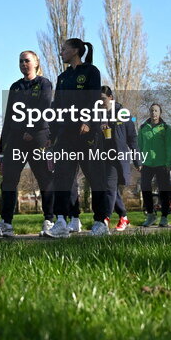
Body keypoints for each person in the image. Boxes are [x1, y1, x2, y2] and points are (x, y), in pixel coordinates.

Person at [46, 38, 108, 238]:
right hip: (66, 134)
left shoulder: (91, 72)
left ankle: (100, 222)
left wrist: (89, 122)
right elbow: (57, 107)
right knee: (62, 177)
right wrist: (52, 134)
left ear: (75, 50)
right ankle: (61, 221)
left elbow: (94, 100)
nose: (61, 52)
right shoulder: (63, 77)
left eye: (64, 49)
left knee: (95, 176)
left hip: (87, 134)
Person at [0, 51, 55, 238]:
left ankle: (49, 220)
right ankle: (6, 223)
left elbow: (44, 109)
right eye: (20, 61)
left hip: (38, 139)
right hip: (16, 140)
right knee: (9, 180)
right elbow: (9, 116)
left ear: (36, 63)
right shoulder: (15, 87)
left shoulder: (44, 84)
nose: (23, 63)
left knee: (45, 179)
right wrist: (2, 144)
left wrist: (32, 130)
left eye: (27, 60)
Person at [99, 86, 138, 232]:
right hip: (102, 156)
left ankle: (105, 219)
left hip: (118, 156)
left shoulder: (123, 113)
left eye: (102, 99)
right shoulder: (97, 113)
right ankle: (123, 216)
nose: (100, 102)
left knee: (109, 187)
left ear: (110, 98)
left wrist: (137, 159)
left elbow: (132, 138)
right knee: (111, 188)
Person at [137, 103, 171, 228]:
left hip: (162, 163)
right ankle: (151, 215)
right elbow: (139, 146)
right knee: (145, 187)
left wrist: (169, 163)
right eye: (152, 111)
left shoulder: (165, 128)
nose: (154, 113)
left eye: (156, 111)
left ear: (160, 113)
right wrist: (139, 162)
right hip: (146, 163)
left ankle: (164, 217)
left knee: (163, 190)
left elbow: (169, 147)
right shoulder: (143, 128)